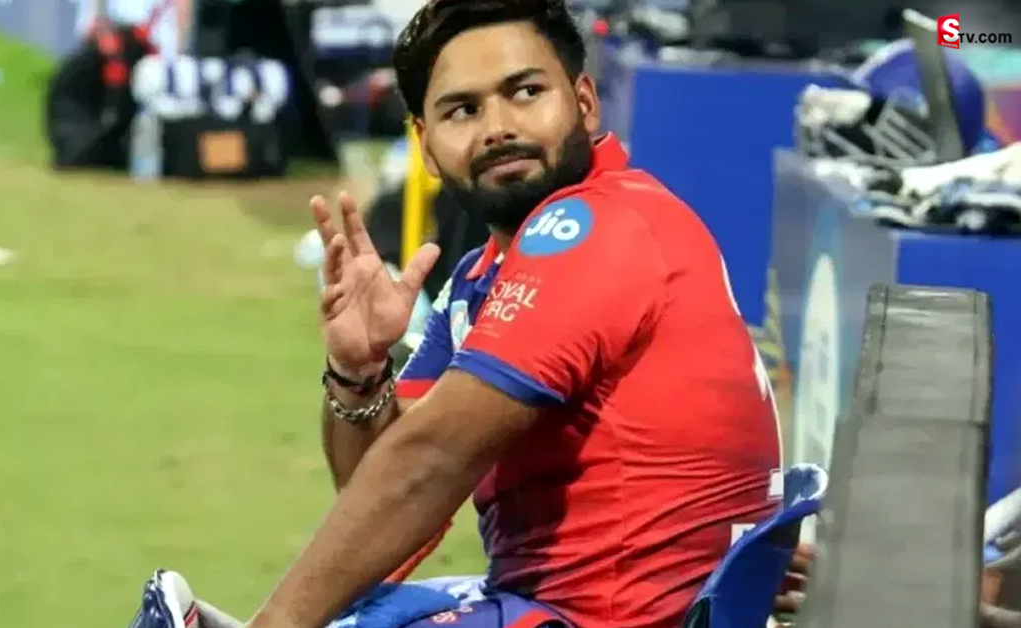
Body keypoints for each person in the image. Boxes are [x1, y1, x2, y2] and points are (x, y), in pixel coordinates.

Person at [136, 1, 781, 628]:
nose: (498, 127)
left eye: (525, 92)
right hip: (554, 604)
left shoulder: (594, 227)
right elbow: (380, 499)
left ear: (584, 102)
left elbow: (431, 458)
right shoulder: (484, 272)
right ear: (425, 143)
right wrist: (359, 369)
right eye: (463, 110)